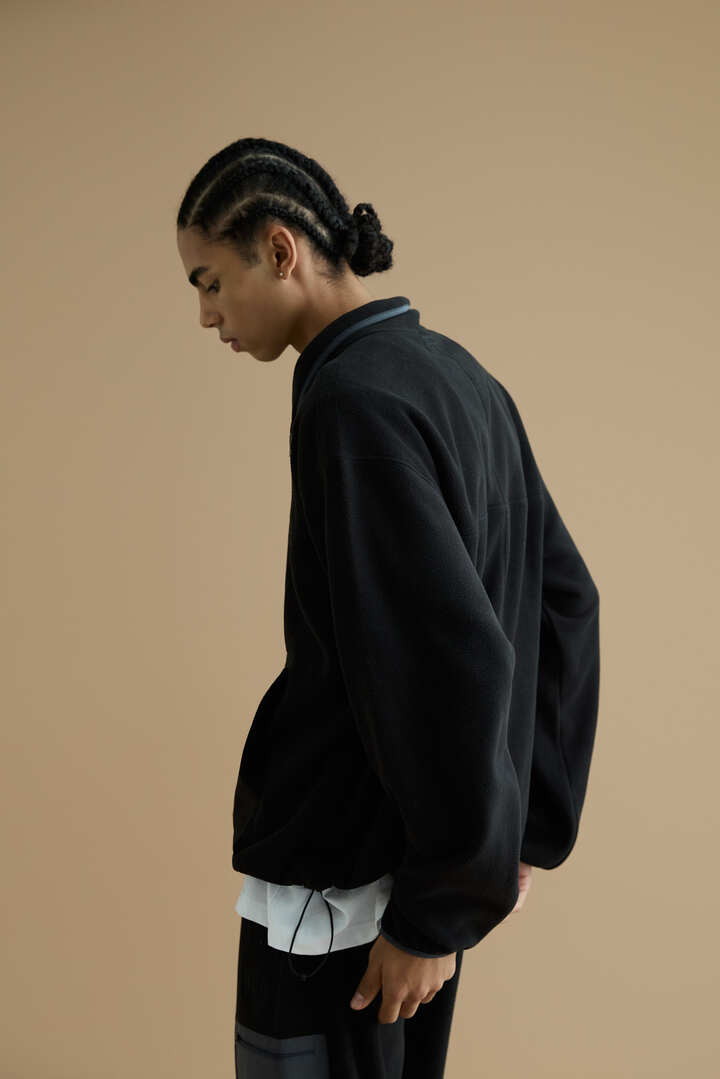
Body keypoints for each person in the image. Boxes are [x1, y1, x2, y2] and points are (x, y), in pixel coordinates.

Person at [175, 137, 601, 1079]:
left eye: (210, 282)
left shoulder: (352, 402)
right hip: (411, 881)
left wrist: (437, 909)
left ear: (279, 250)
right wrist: (517, 832)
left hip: (350, 896)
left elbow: (447, 660)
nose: (205, 314)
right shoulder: (459, 375)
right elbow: (565, 600)